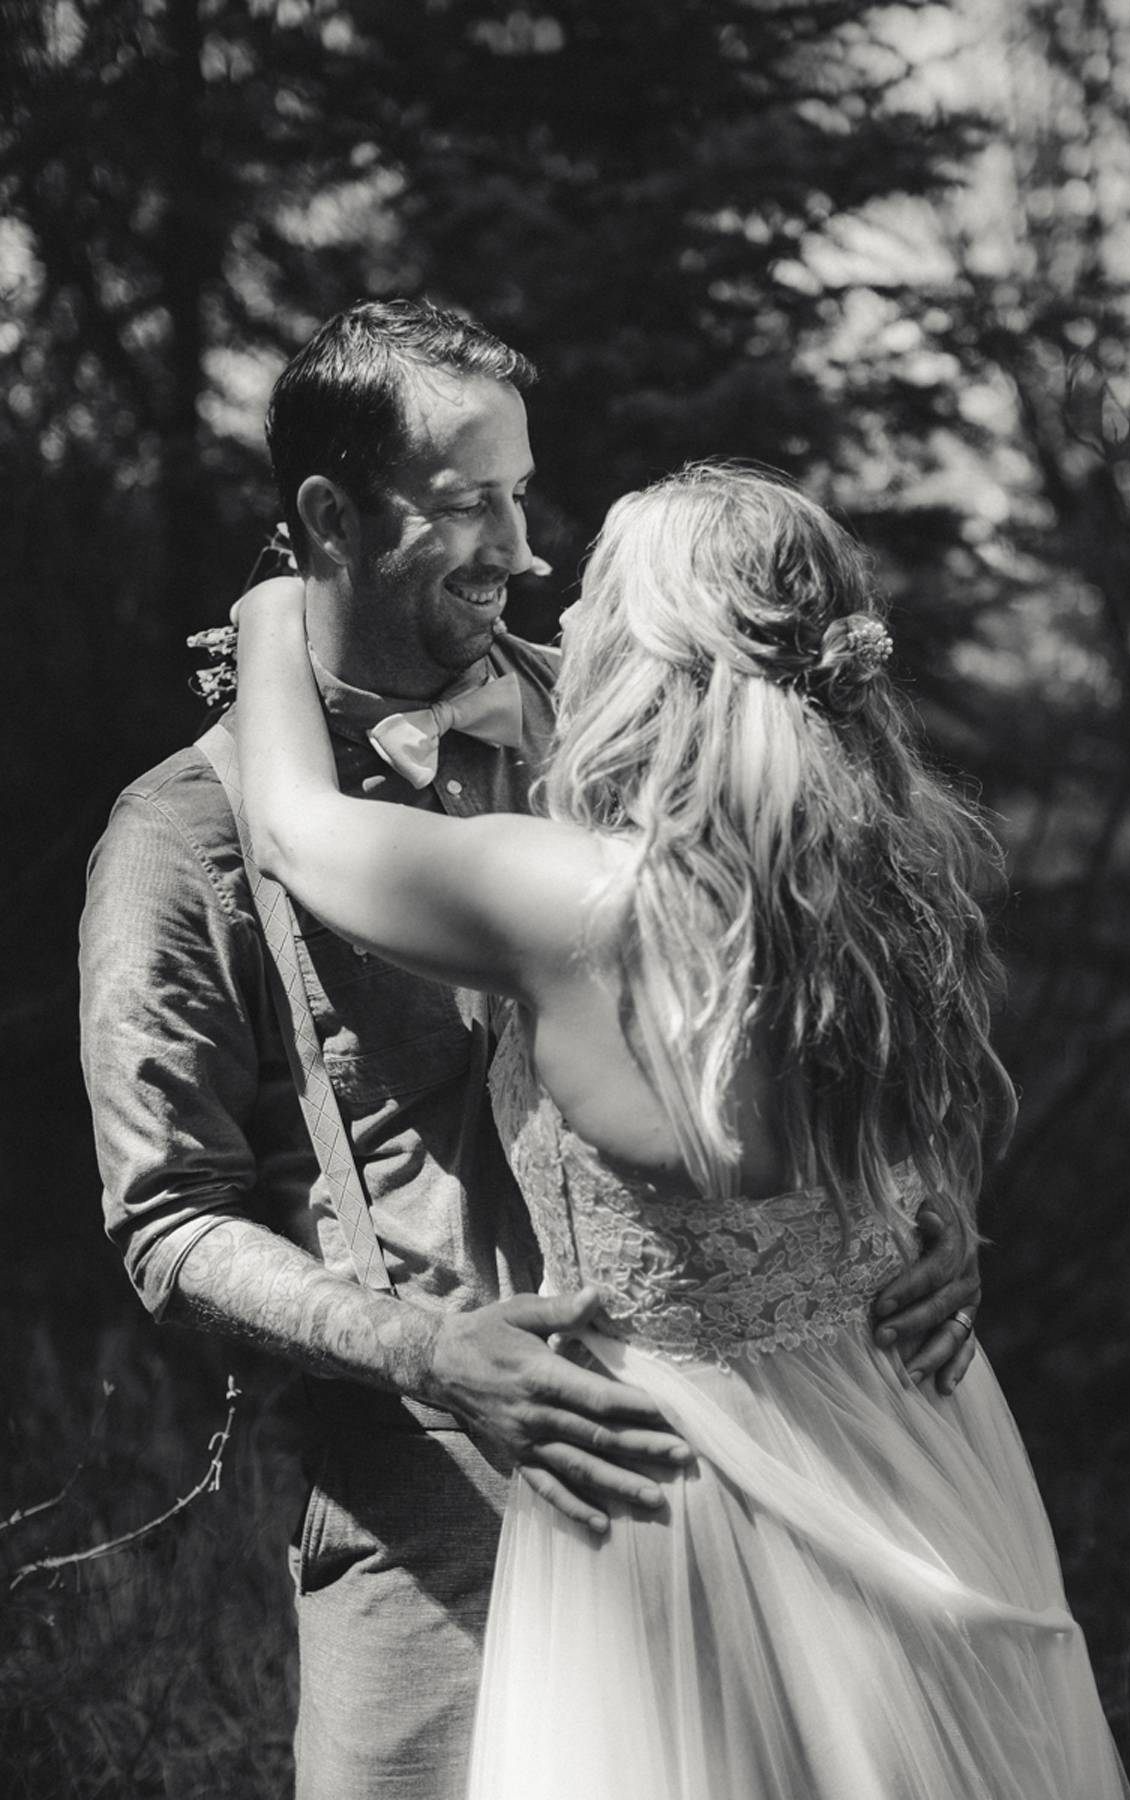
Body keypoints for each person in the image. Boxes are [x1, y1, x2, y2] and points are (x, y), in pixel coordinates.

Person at [79, 300, 984, 1800]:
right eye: (467, 502)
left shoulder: (629, 717)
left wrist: (915, 1199)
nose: (524, 547)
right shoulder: (183, 839)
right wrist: (428, 1348)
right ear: (327, 514)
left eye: (523, 490)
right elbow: (167, 1217)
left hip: (742, 1483)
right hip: (427, 1508)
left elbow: (824, 993)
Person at [235, 457, 1130, 1800]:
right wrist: (937, 1215)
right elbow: (901, 1133)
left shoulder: (573, 903)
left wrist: (268, 615)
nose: (566, 614)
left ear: (653, 657)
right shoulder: (886, 872)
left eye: (596, 594)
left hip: (679, 1485)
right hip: (912, 1427)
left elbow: (299, 834)